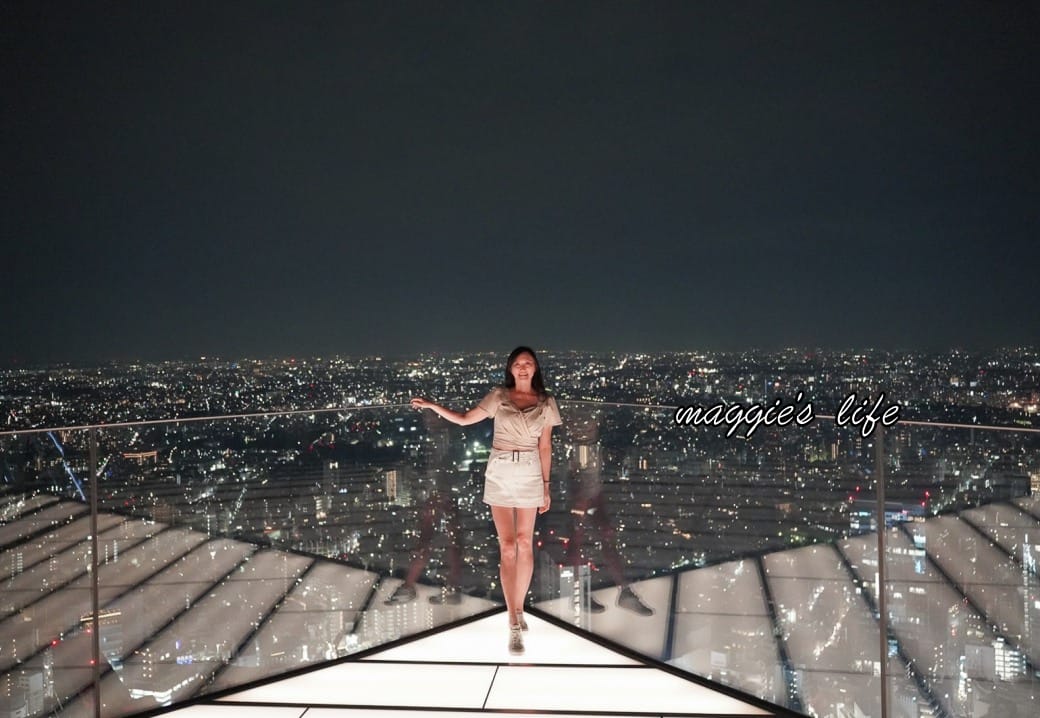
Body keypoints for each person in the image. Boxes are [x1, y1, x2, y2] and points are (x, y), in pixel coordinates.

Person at [411, 346, 562, 655]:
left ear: (535, 369)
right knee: (507, 546)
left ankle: (519, 610)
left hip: (531, 471)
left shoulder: (547, 402)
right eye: (518, 363)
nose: (522, 368)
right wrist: (432, 406)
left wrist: (546, 486)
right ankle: (513, 621)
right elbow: (466, 420)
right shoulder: (498, 396)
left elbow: (545, 447)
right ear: (510, 368)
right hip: (501, 471)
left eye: (528, 363)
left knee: (524, 542)